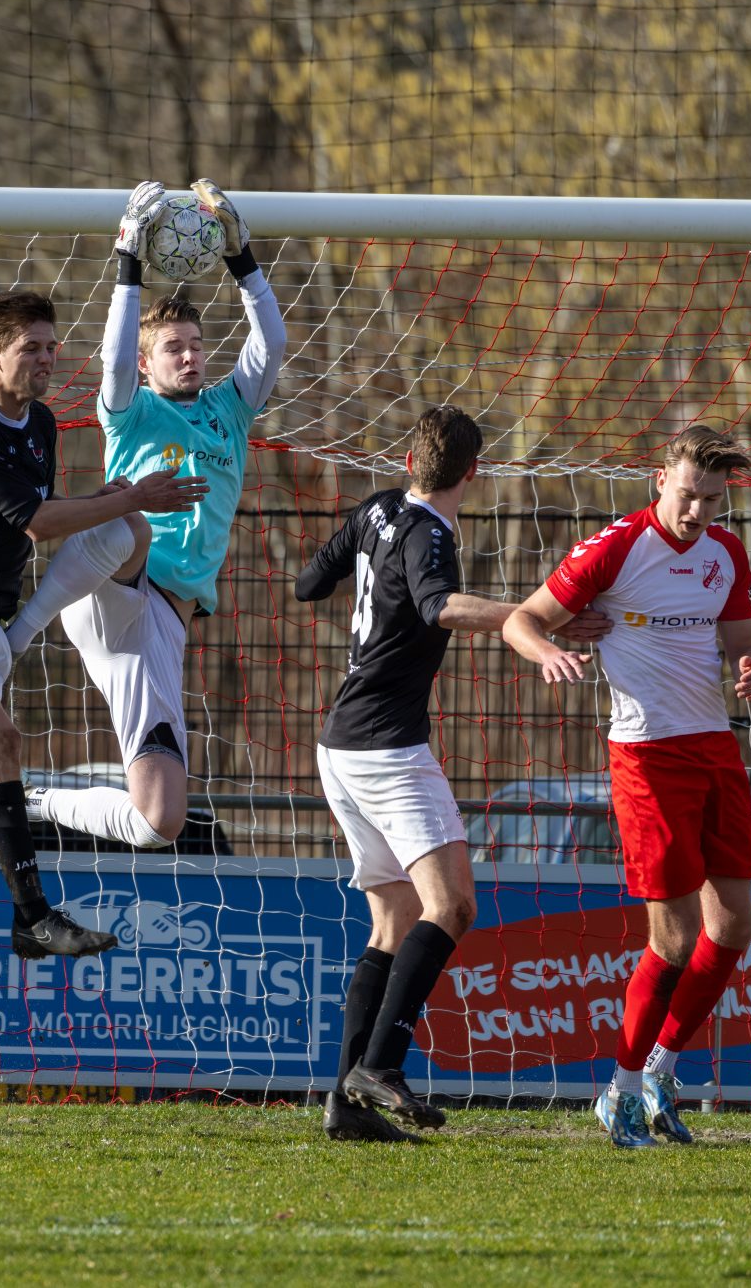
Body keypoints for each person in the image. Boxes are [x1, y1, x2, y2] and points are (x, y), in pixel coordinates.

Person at [296, 407, 609, 1142]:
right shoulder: (431, 533)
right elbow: (438, 606)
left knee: (393, 920)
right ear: (475, 470)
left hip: (339, 745)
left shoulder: (378, 508)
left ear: (410, 460)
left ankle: (346, 1104)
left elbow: (310, 583)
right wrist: (528, 617)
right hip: (387, 748)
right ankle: (381, 1065)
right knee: (454, 906)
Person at [0, 289, 206, 1031]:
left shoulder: (39, 425)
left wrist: (108, 499)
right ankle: (33, 914)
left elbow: (50, 509)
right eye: (29, 348)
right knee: (1, 741)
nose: (44, 360)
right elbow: (36, 523)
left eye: (50, 347)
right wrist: (133, 497)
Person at [501, 425, 751, 1148]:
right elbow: (523, 620)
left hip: (714, 748)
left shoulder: (726, 553)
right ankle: (617, 1092)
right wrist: (547, 650)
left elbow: (744, 642)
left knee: (733, 927)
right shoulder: (617, 547)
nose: (698, 512)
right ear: (660, 480)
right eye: (688, 495)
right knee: (674, 936)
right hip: (647, 757)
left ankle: (660, 1072)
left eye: (712, 500)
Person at [18, 180, 286, 853]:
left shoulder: (230, 410)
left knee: (158, 821)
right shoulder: (131, 409)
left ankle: (34, 801)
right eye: (173, 347)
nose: (190, 355)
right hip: (114, 581)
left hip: (158, 629)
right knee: (132, 520)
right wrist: (128, 263)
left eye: (196, 343)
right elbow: (111, 361)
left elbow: (272, 342)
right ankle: (19, 632)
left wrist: (242, 259)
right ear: (146, 362)